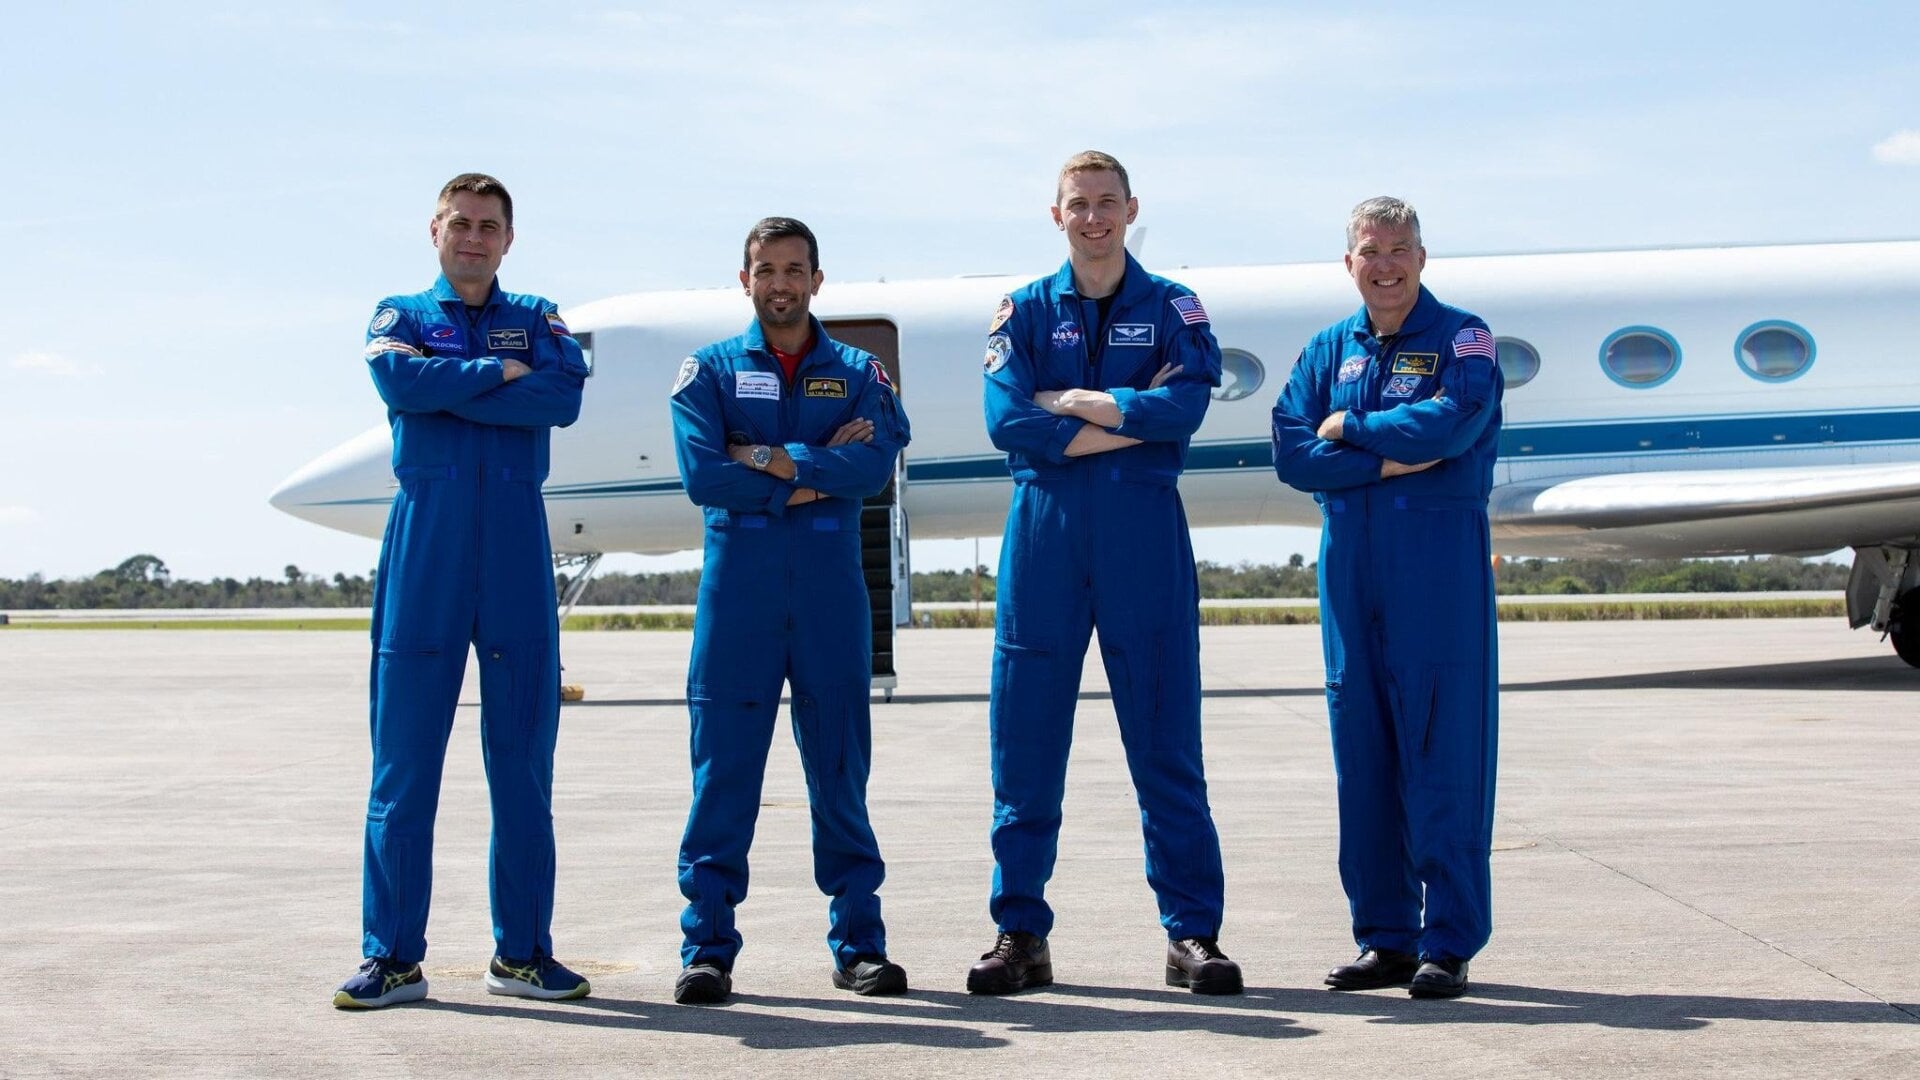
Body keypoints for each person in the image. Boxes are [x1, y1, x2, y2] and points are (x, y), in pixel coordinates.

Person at [970, 151, 1241, 997]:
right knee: (1026, 745)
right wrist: (1132, 415)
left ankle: (1192, 934)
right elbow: (1006, 418)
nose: (1093, 218)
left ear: (1131, 210)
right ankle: (1019, 933)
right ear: (1057, 215)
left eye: (1107, 203)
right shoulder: (1021, 310)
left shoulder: (1172, 307)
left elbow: (1190, 404)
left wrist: (1083, 404)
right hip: (1045, 538)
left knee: (1166, 744)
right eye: (1078, 204)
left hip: (1141, 537)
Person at [333, 173, 592, 1009]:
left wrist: (464, 385)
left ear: (508, 239)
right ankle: (393, 958)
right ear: (435, 231)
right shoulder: (399, 315)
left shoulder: (542, 316)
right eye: (461, 224)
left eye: (489, 226)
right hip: (428, 542)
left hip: (517, 542)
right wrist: (498, 377)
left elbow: (562, 398)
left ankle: (521, 955)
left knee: (522, 763)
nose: (474, 238)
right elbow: (401, 387)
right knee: (404, 764)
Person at [668, 217, 913, 1005]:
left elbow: (874, 462)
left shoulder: (861, 371)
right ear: (745, 280)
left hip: (828, 594)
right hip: (739, 593)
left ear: (817, 278)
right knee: (724, 774)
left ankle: (860, 944)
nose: (780, 282)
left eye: (794, 268)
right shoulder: (707, 370)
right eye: (765, 269)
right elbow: (706, 475)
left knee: (840, 769)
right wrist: (816, 473)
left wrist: (769, 458)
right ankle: (707, 948)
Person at [1269, 196, 1503, 999]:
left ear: (1422, 257)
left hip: (1436, 563)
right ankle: (1387, 937)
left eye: (1400, 249)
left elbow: (1453, 424)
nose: (1387, 263)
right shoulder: (1327, 348)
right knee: (1361, 751)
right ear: (1350, 264)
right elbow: (1293, 452)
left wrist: (1350, 430)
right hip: (1349, 567)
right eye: (1372, 251)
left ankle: (1449, 939)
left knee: (1445, 748)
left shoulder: (1462, 337)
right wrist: (1382, 454)